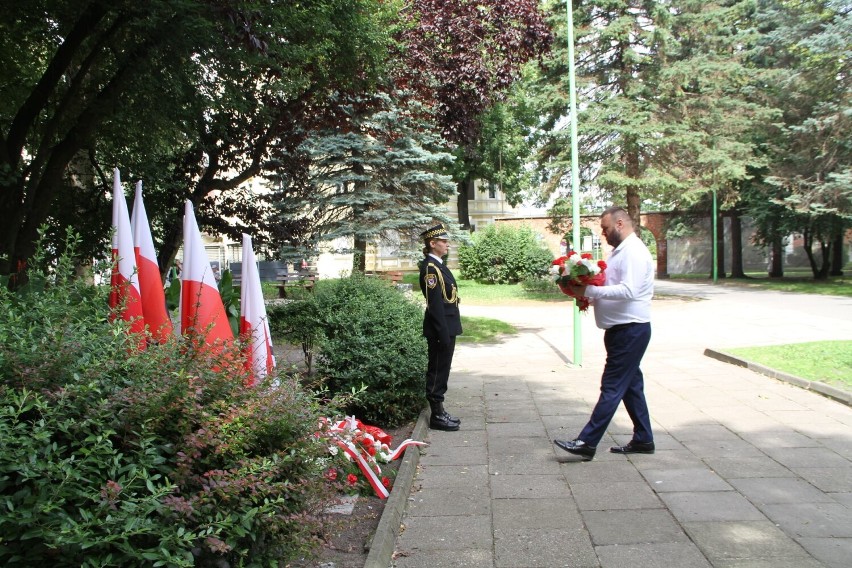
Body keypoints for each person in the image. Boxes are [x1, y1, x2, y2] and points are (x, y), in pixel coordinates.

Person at [554, 206, 656, 460]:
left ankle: (587, 442)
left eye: (606, 228)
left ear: (620, 223)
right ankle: (644, 439)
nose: (603, 233)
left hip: (630, 330)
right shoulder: (620, 252)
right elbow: (610, 285)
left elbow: (629, 290)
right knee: (631, 387)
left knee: (611, 386)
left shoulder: (633, 252)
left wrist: (588, 292)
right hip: (622, 329)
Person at [419, 223, 462, 431]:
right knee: (437, 370)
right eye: (443, 241)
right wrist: (442, 333)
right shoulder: (430, 269)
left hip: (448, 324)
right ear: (432, 243)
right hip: (440, 328)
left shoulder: (439, 265)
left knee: (443, 369)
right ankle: (436, 415)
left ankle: (440, 411)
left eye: (446, 241)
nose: (447, 244)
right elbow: (435, 305)